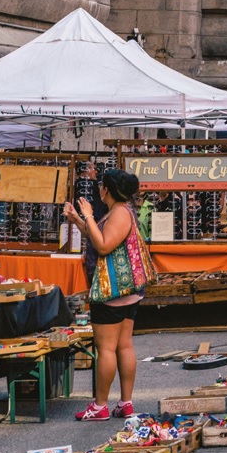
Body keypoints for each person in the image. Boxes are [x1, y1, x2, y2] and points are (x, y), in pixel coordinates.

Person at [63, 169, 146, 421]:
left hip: (112, 292)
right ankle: (125, 403)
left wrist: (88, 215)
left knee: (107, 348)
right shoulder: (119, 211)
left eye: (101, 184)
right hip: (127, 291)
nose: (99, 188)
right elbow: (97, 233)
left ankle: (100, 406)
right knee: (123, 345)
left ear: (106, 189)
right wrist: (79, 219)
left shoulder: (120, 212)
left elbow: (103, 245)